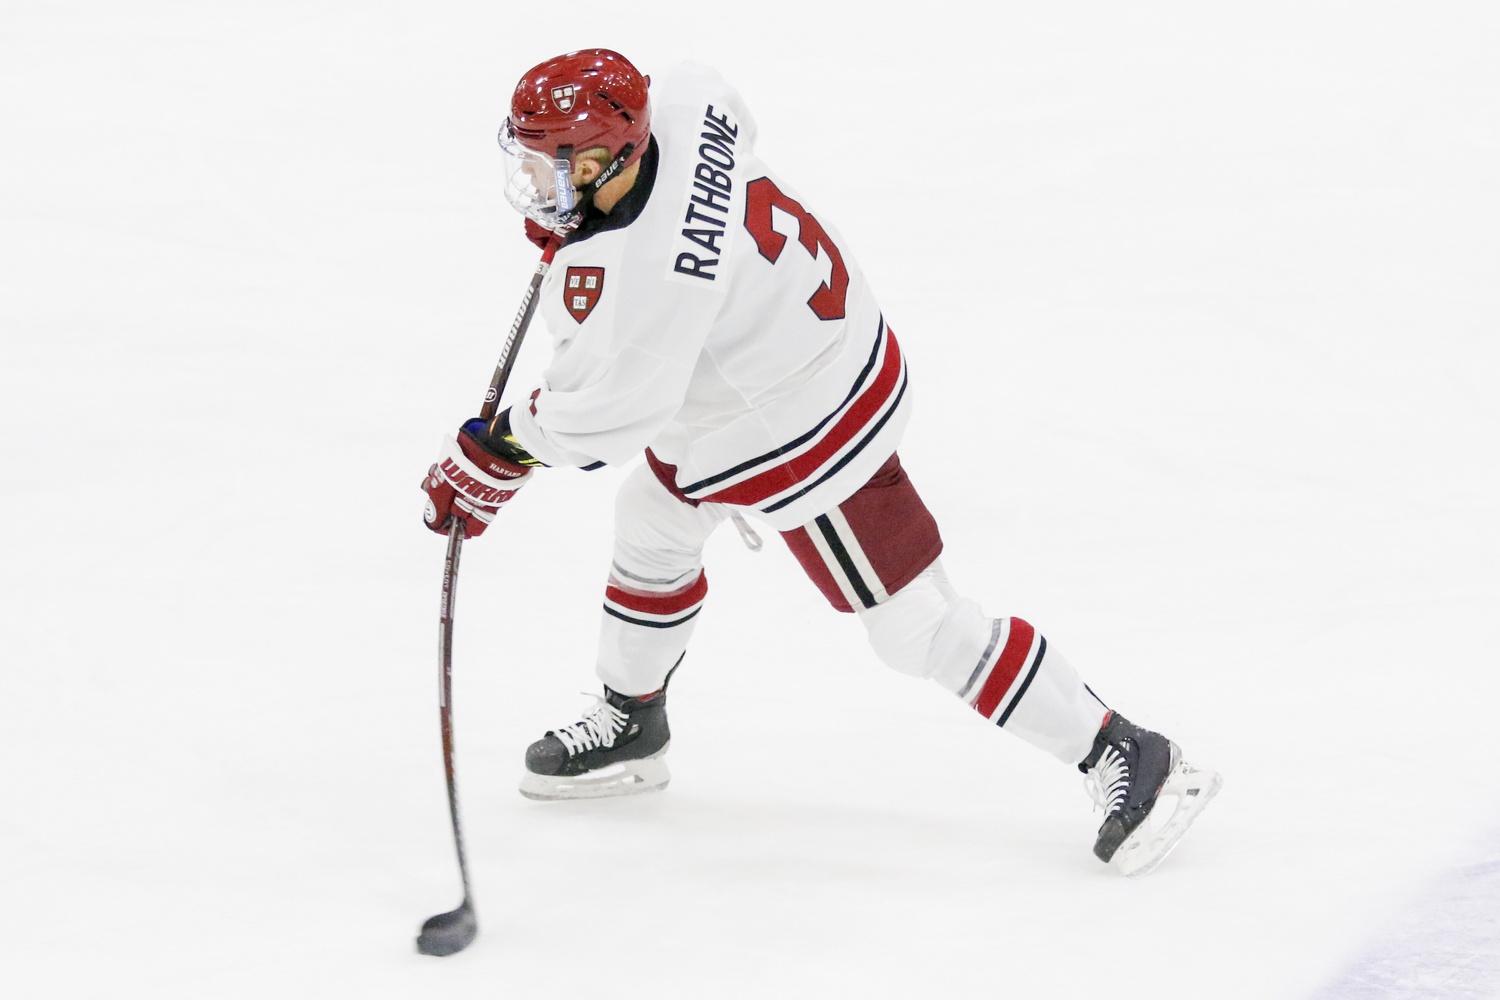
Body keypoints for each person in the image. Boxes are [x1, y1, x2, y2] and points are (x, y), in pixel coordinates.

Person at [421, 48, 1221, 876]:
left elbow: (600, 418)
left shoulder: (647, 282)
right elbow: (717, 123)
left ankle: (1124, 751)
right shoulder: (684, 101)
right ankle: (635, 718)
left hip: (800, 426)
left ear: (600, 162)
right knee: (652, 522)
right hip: (799, 357)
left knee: (916, 627)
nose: (532, 182)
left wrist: (495, 452)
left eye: (551, 166)